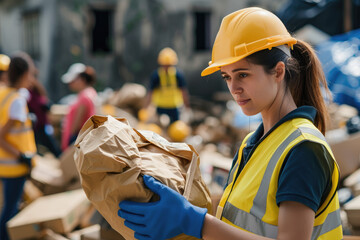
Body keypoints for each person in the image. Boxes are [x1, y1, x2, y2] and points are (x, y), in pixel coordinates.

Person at [117, 7, 343, 240]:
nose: (234, 88)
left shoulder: (303, 149)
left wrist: (194, 221)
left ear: (278, 72)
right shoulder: (252, 143)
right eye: (227, 77)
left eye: (243, 74)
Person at [0, 52, 37, 240]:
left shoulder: (3, 93)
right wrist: (21, 155)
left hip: (4, 165)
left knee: (8, 206)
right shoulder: (16, 99)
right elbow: (1, 136)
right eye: (30, 74)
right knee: (10, 210)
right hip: (14, 166)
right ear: (23, 75)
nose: (32, 79)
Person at [144, 47, 190, 124]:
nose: (166, 67)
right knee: (160, 127)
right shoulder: (156, 76)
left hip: (174, 106)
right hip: (160, 107)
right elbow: (150, 93)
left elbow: (183, 92)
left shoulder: (178, 75)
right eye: (165, 65)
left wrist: (187, 107)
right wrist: (145, 108)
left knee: (175, 127)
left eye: (169, 65)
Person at [61, 63, 97, 151]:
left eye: (73, 80)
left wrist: (71, 138)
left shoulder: (85, 96)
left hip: (77, 141)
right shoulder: (89, 93)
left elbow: (77, 123)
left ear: (82, 79)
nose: (70, 84)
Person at [28, 73, 62, 158]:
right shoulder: (32, 91)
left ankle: (62, 159)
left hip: (40, 124)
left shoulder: (34, 91)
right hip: (36, 125)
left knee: (51, 146)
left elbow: (45, 104)